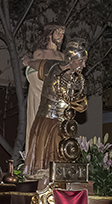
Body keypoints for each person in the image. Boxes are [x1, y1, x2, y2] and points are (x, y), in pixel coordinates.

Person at [23, 41, 88, 179]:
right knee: (46, 164)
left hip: (59, 124)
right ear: (70, 60)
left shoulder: (73, 78)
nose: (84, 66)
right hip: (49, 123)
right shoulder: (53, 68)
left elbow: (82, 106)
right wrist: (28, 61)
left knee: (60, 162)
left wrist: (29, 61)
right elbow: (38, 64)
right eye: (81, 61)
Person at [24, 24, 65, 153]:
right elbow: (38, 70)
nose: (60, 36)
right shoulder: (40, 53)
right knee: (40, 126)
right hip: (40, 94)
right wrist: (30, 62)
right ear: (49, 34)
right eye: (57, 32)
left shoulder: (63, 56)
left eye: (62, 34)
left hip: (58, 96)